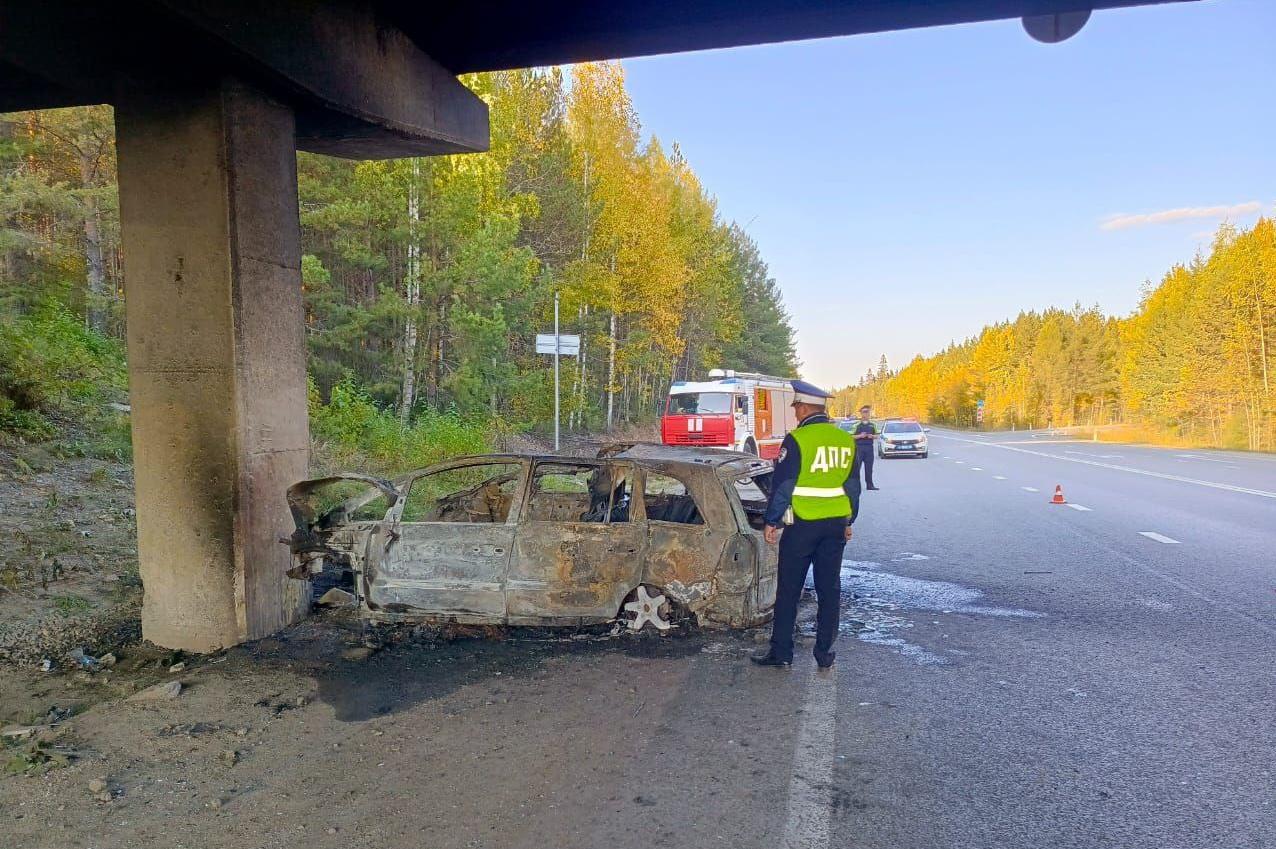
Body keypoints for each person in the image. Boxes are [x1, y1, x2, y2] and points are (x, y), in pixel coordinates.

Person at [752, 380, 860, 669]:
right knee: (829, 589)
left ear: (803, 407)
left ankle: (781, 653)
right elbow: (853, 488)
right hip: (835, 525)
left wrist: (771, 521)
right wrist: (848, 520)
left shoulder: (797, 440)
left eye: (797, 408)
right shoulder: (845, 440)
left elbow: (784, 485)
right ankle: (824, 653)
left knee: (789, 589)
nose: (796, 414)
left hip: (803, 525)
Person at [851, 404, 880, 491]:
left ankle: (870, 485)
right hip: (859, 448)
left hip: (869, 448)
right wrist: (860, 436)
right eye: (865, 412)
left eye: (868, 412)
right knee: (856, 469)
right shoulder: (856, 425)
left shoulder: (873, 424)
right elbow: (851, 436)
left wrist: (872, 436)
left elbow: (877, 435)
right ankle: (855, 486)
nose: (867, 414)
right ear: (861, 413)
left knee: (869, 468)